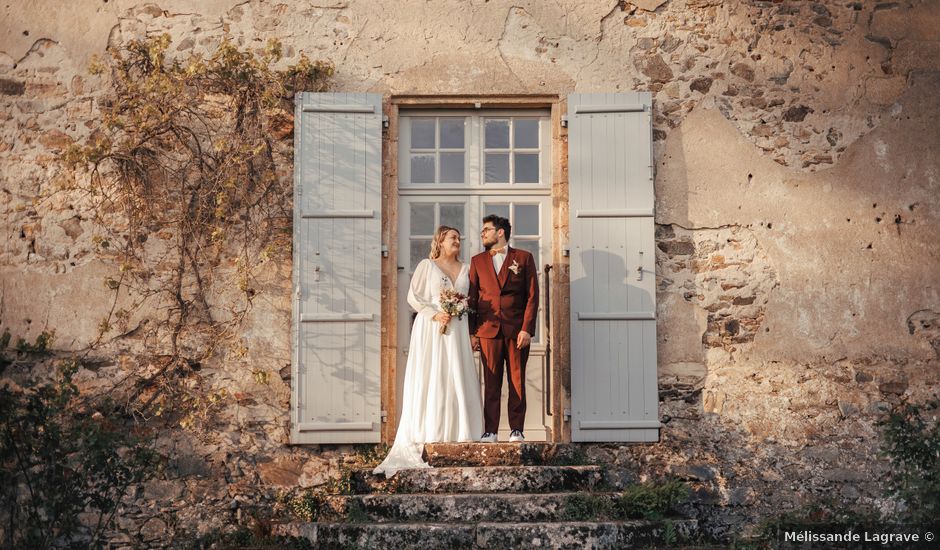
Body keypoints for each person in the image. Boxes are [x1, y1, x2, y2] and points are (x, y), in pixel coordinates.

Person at [374, 226, 483, 477]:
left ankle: (462, 430)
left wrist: (465, 320)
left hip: (457, 328)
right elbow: (414, 297)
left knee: (457, 374)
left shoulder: (467, 269)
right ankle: (431, 430)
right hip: (433, 327)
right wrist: (435, 314)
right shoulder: (427, 265)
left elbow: (472, 300)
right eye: (452, 237)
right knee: (434, 374)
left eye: (459, 237)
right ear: (440, 241)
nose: (458, 240)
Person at [468, 215, 538, 443]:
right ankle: (491, 431)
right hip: (487, 330)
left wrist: (527, 329)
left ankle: (516, 429)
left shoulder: (524, 258)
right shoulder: (477, 261)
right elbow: (472, 298)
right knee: (491, 382)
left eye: (486, 230)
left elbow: (532, 297)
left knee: (517, 380)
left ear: (500, 232)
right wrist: (472, 332)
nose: (482, 234)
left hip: (517, 331)